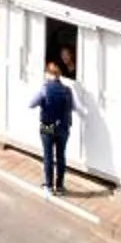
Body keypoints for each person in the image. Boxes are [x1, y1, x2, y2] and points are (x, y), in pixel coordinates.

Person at [32, 58, 76, 195]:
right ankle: (60, 187)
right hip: (63, 127)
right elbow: (73, 107)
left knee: (48, 156)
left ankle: (49, 187)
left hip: (47, 125)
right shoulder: (67, 90)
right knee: (61, 156)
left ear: (48, 74)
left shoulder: (44, 90)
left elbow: (31, 104)